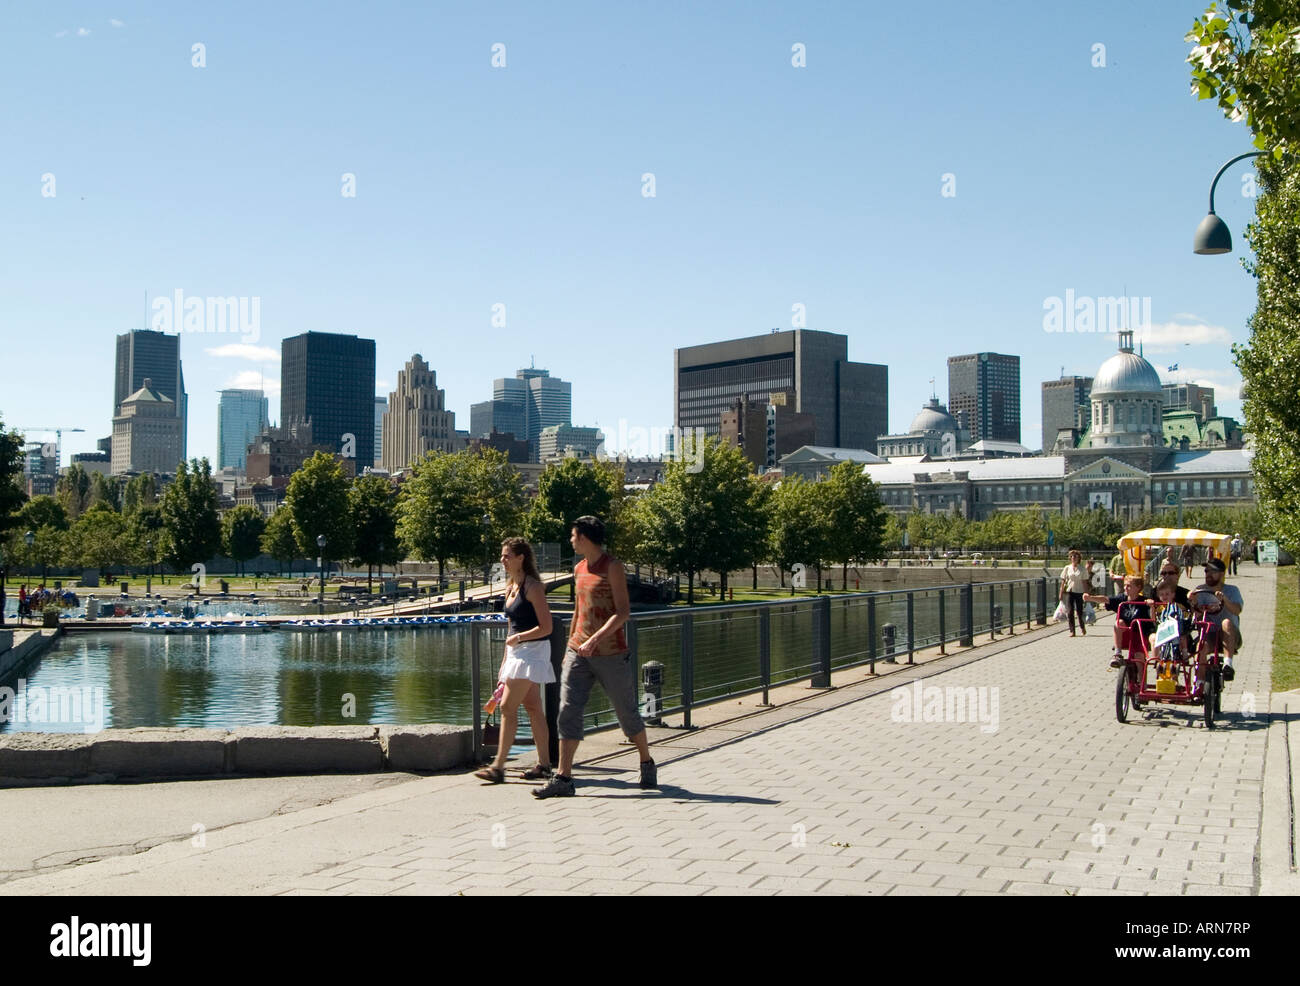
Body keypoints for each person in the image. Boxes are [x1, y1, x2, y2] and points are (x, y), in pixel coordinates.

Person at [533, 515, 657, 798]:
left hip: (610, 653)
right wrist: (570, 647)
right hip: (578, 652)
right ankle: (563, 778)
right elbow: (579, 610)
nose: (571, 540)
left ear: (585, 538)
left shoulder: (612, 567)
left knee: (626, 713)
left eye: (573, 536)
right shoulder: (578, 568)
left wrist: (595, 639)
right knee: (568, 710)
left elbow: (622, 612)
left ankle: (646, 761)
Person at [474, 538, 555, 784]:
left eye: (507, 555)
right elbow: (511, 627)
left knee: (507, 707)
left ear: (521, 558)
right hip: (517, 653)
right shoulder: (511, 586)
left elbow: (547, 627)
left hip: (532, 650)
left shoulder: (533, 587)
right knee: (533, 708)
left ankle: (498, 766)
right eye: (502, 555)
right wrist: (505, 661)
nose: (503, 560)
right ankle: (544, 765)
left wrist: (519, 638)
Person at [1188, 557, 1243, 681]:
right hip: (1209, 634)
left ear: (1222, 574)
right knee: (1200, 647)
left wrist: (1224, 600)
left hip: (1230, 635)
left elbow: (1237, 610)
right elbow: (1195, 616)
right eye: (1207, 571)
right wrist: (1193, 602)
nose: (1208, 574)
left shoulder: (1232, 590)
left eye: (1213, 572)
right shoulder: (1200, 591)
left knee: (1226, 622)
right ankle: (1200, 683)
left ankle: (1228, 665)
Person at [1084, 575, 1152, 668]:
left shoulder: (1143, 601)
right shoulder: (1122, 599)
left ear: (1138, 587)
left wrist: (1151, 605)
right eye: (1125, 585)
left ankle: (1141, 681)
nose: (1125, 588)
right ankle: (1117, 653)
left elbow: (1152, 618)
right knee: (1118, 623)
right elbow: (1106, 599)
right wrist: (1091, 598)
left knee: (1139, 658)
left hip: (1139, 634)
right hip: (1125, 634)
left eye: (1129, 586)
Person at [1059, 549, 1089, 637]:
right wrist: (1060, 592)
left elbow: (1084, 582)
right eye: (1072, 556)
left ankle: (1082, 627)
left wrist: (1086, 593)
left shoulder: (1082, 569)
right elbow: (1063, 581)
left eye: (1075, 556)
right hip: (1070, 591)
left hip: (1079, 592)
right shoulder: (1067, 568)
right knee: (1070, 611)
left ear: (1079, 558)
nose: (1073, 558)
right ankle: (1072, 631)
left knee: (1079, 612)